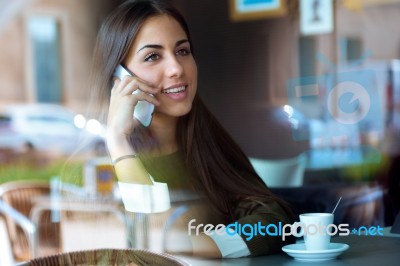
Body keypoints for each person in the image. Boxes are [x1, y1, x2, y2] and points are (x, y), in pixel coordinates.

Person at [89, 0, 295, 258]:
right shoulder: (99, 163)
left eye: (183, 51)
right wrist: (119, 142)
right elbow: (143, 238)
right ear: (119, 79)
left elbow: (274, 218)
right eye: (153, 56)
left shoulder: (203, 141)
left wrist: (200, 245)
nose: (176, 69)